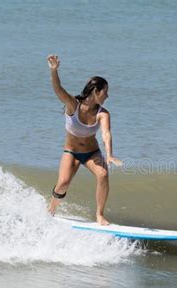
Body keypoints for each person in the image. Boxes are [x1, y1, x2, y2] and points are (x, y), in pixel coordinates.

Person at [46, 54, 122, 225]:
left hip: (91, 153)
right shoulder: (73, 105)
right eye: (105, 92)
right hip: (71, 152)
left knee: (103, 174)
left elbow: (106, 134)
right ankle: (51, 211)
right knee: (63, 183)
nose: (107, 96)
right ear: (96, 92)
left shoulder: (103, 113)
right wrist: (54, 71)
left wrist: (109, 155)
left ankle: (100, 215)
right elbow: (58, 89)